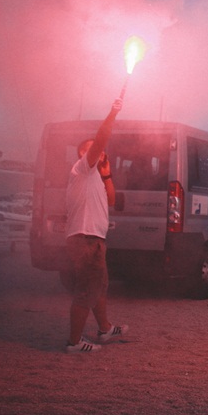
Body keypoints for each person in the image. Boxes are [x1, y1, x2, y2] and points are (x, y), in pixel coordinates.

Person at [64, 98, 128, 353]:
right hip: (85, 239)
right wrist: (113, 112)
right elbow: (101, 139)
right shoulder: (81, 169)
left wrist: (108, 173)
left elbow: (112, 199)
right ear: (83, 154)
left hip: (94, 240)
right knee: (86, 290)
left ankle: (104, 329)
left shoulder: (96, 178)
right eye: (93, 150)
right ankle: (74, 343)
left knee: (99, 286)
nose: (100, 152)